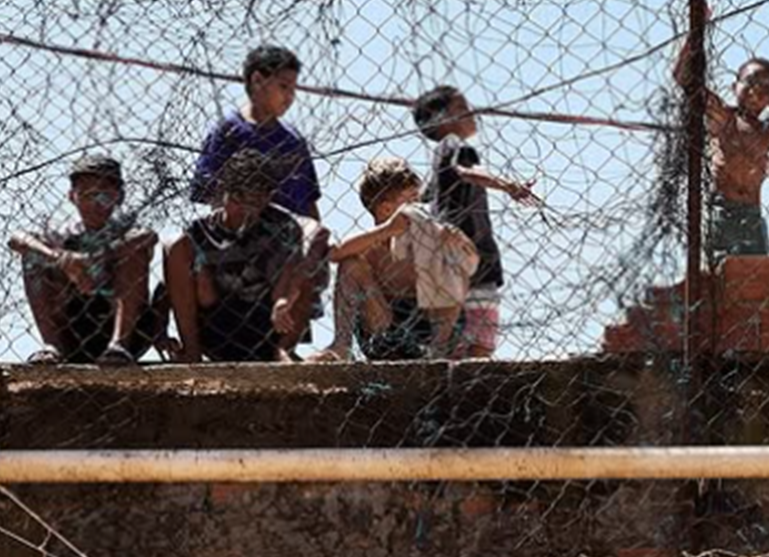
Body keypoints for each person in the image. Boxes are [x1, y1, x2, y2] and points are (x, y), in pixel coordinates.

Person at [164, 149, 328, 363]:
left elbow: (313, 238)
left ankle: (283, 350)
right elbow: (167, 290)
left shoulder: (280, 225)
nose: (244, 209)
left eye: (255, 202)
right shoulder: (200, 232)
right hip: (217, 324)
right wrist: (160, 331)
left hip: (271, 322)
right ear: (224, 192)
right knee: (175, 247)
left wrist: (285, 298)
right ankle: (192, 351)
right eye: (238, 199)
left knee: (306, 264)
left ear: (267, 198)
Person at [412, 85, 539, 359]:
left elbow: (424, 197)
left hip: (448, 263)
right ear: (439, 120)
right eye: (461, 109)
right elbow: (467, 171)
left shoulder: (438, 158)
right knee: (480, 343)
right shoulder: (455, 145)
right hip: (473, 256)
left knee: (452, 342)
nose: (472, 113)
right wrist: (508, 185)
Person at [314, 157, 478, 362]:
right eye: (411, 200)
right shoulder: (370, 245)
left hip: (429, 331)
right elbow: (336, 253)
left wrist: (456, 240)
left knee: (445, 259)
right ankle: (341, 345)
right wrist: (390, 229)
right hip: (382, 332)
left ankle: (438, 352)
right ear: (386, 210)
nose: (419, 207)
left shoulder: (427, 238)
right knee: (351, 263)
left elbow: (470, 260)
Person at [8, 156, 161, 365]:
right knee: (33, 259)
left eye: (104, 195)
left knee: (133, 253)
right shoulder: (62, 235)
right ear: (72, 196)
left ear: (119, 197)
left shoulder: (126, 231)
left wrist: (96, 259)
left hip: (132, 333)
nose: (95, 203)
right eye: (86, 194)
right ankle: (52, 346)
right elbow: (17, 239)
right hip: (72, 331)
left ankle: (119, 344)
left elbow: (148, 236)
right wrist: (62, 259)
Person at [673, 38, 769, 257]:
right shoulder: (725, 118)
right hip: (723, 210)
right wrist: (696, 34)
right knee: (719, 274)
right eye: (750, 82)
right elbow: (684, 78)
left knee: (761, 275)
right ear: (734, 87)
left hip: (753, 213)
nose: (756, 90)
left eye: (766, 86)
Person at [190, 46, 321, 220]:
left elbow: (309, 202)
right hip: (242, 239)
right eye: (283, 86)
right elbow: (211, 192)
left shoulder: (293, 141)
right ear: (257, 80)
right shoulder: (228, 132)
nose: (289, 96)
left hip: (290, 240)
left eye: (293, 89)